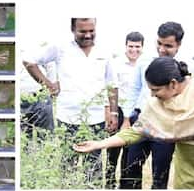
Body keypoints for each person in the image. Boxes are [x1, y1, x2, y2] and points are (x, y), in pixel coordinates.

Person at [75, 57, 194, 189]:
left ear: (173, 84)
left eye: (156, 90)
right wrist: (99, 144)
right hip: (186, 175)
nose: (152, 95)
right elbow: (136, 131)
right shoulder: (157, 105)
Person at [22, 18, 118, 185]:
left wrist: (114, 112)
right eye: (82, 31)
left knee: (93, 168)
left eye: (91, 31)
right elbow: (30, 61)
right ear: (73, 29)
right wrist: (48, 85)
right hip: (67, 118)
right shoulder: (60, 48)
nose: (88, 35)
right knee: (68, 167)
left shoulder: (104, 50)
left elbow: (112, 84)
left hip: (96, 119)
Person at [125, 22, 194, 189]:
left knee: (160, 173)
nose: (161, 49)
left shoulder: (190, 67)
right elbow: (135, 89)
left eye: (168, 45)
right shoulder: (144, 60)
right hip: (142, 119)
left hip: (168, 125)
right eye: (159, 43)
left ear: (179, 44)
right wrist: (127, 117)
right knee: (131, 167)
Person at [106, 31, 145, 189]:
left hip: (137, 113)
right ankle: (109, 183)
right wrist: (111, 112)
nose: (134, 50)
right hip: (119, 111)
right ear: (125, 46)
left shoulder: (144, 64)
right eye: (131, 46)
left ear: (142, 47)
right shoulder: (116, 64)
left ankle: (124, 184)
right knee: (113, 151)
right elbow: (110, 89)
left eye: (137, 46)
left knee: (130, 153)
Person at [20, 61, 55, 137]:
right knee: (22, 137)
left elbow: (50, 65)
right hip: (21, 96)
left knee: (45, 135)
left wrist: (50, 88)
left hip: (39, 93)